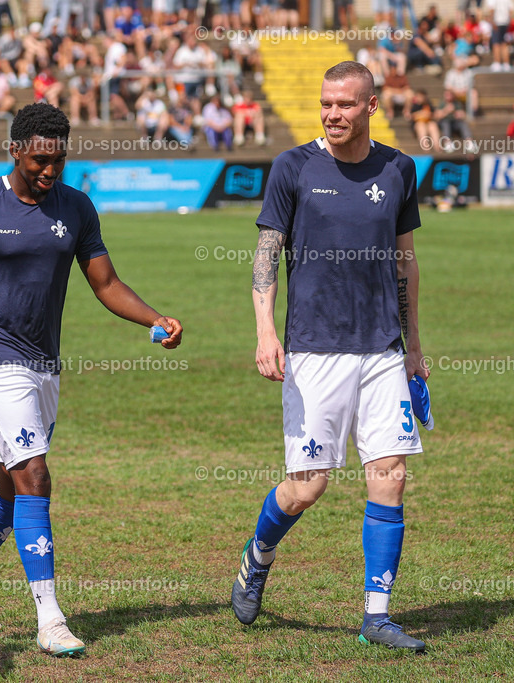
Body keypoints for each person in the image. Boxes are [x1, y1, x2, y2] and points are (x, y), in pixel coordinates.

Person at [0, 102, 182, 657]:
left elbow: (105, 282)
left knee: (12, 480)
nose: (49, 170)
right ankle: (51, 619)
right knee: (35, 475)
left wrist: (155, 318)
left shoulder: (77, 207)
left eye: (58, 159)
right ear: (15, 150)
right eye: (40, 159)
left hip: (44, 364)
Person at [231, 61, 428, 652]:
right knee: (307, 487)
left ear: (371, 107)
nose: (332, 114)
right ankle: (258, 554)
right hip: (314, 350)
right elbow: (267, 253)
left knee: (389, 476)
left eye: (344, 104)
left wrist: (413, 344)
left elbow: (405, 261)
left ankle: (377, 615)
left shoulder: (399, 168)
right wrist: (266, 331)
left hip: (383, 351)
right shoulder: (293, 167)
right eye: (325, 104)